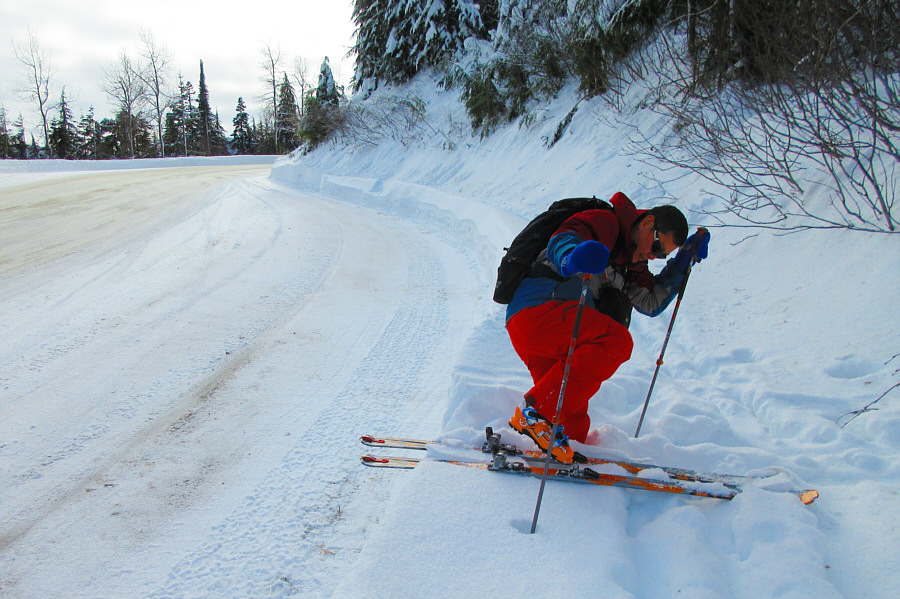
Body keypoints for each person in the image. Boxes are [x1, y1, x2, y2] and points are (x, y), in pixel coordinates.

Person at [506, 191, 710, 463]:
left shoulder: (631, 265)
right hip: (539, 310)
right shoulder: (605, 223)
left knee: (571, 424)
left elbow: (651, 303)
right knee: (617, 341)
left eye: (661, 255)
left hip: (556, 336)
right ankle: (536, 413)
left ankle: (553, 453)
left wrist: (683, 260)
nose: (653, 255)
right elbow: (563, 240)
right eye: (658, 247)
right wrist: (573, 256)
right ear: (648, 223)